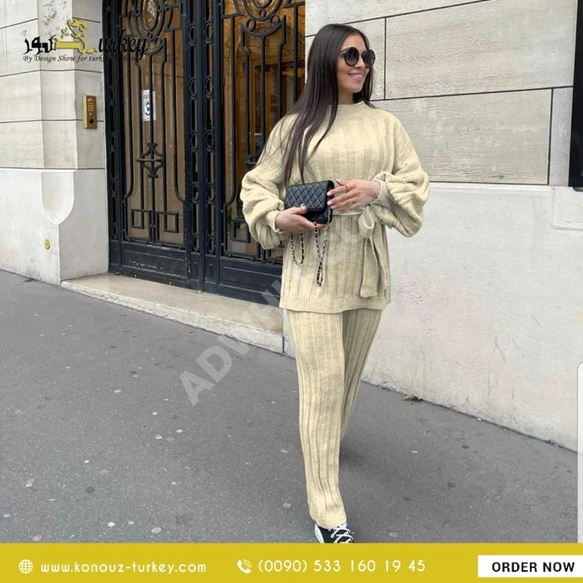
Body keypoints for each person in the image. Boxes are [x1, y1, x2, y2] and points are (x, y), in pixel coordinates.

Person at [240, 23, 430, 543]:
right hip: (312, 272)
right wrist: (276, 218)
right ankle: (328, 511)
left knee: (345, 383)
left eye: (367, 56)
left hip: (367, 271)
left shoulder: (386, 125)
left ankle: (324, 444)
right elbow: (257, 185)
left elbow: (415, 184)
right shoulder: (294, 128)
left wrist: (377, 190)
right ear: (325, 59)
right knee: (323, 386)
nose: (361, 64)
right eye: (350, 54)